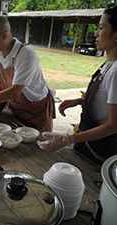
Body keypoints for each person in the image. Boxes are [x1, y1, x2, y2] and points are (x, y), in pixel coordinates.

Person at [38, 4, 117, 165]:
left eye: (101, 28)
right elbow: (107, 101)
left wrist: (69, 138)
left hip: (101, 147)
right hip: (88, 141)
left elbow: (113, 125)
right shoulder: (108, 63)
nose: (96, 34)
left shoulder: (116, 71)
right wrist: (80, 100)